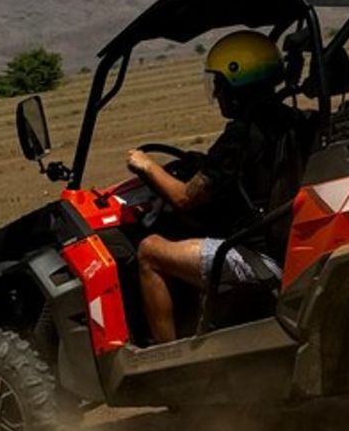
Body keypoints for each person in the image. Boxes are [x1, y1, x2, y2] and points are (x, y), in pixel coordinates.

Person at [125, 30, 298, 343]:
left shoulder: (241, 136)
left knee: (149, 251)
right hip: (286, 243)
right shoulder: (290, 119)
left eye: (219, 83)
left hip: (257, 256)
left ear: (237, 85)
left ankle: (169, 361)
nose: (217, 93)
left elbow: (183, 198)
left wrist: (145, 164)